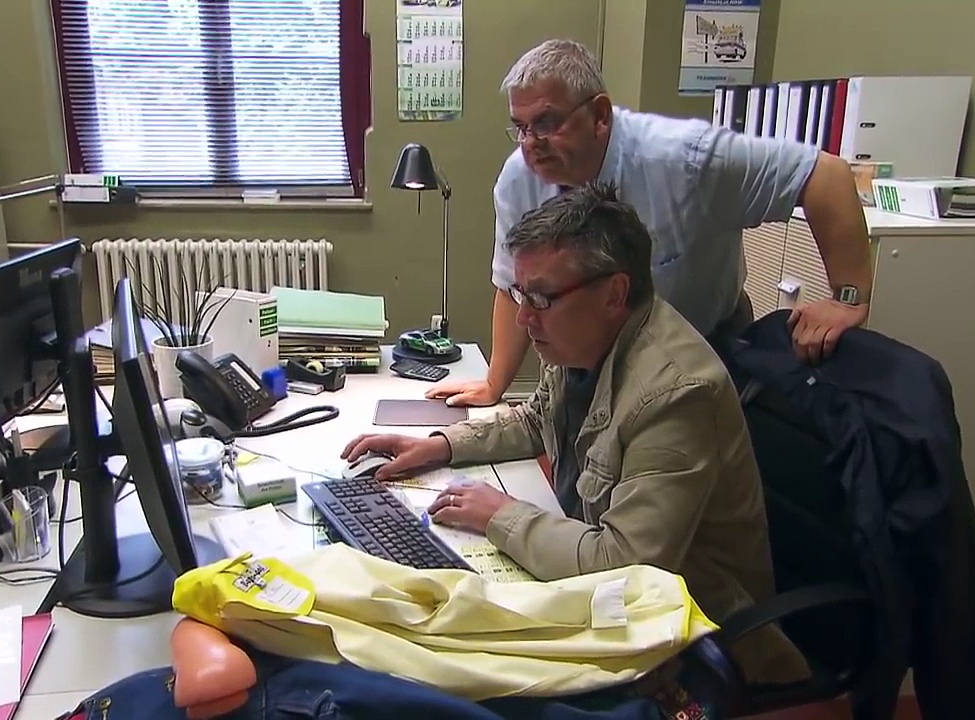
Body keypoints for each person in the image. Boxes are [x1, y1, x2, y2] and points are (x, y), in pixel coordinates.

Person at [343, 181, 806, 685]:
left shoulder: (676, 394)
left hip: (696, 638)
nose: (524, 317)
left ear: (614, 293)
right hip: (611, 594)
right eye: (521, 294)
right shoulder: (582, 339)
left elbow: (626, 565)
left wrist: (501, 514)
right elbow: (535, 420)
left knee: (447, 670)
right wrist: (439, 446)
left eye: (541, 298)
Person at [426, 39, 872, 408]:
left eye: (546, 123)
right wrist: (495, 383)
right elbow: (513, 287)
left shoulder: (685, 159)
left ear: (600, 116)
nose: (530, 144)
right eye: (520, 127)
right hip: (586, 358)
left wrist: (848, 298)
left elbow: (825, 176)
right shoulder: (518, 179)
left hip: (701, 353)